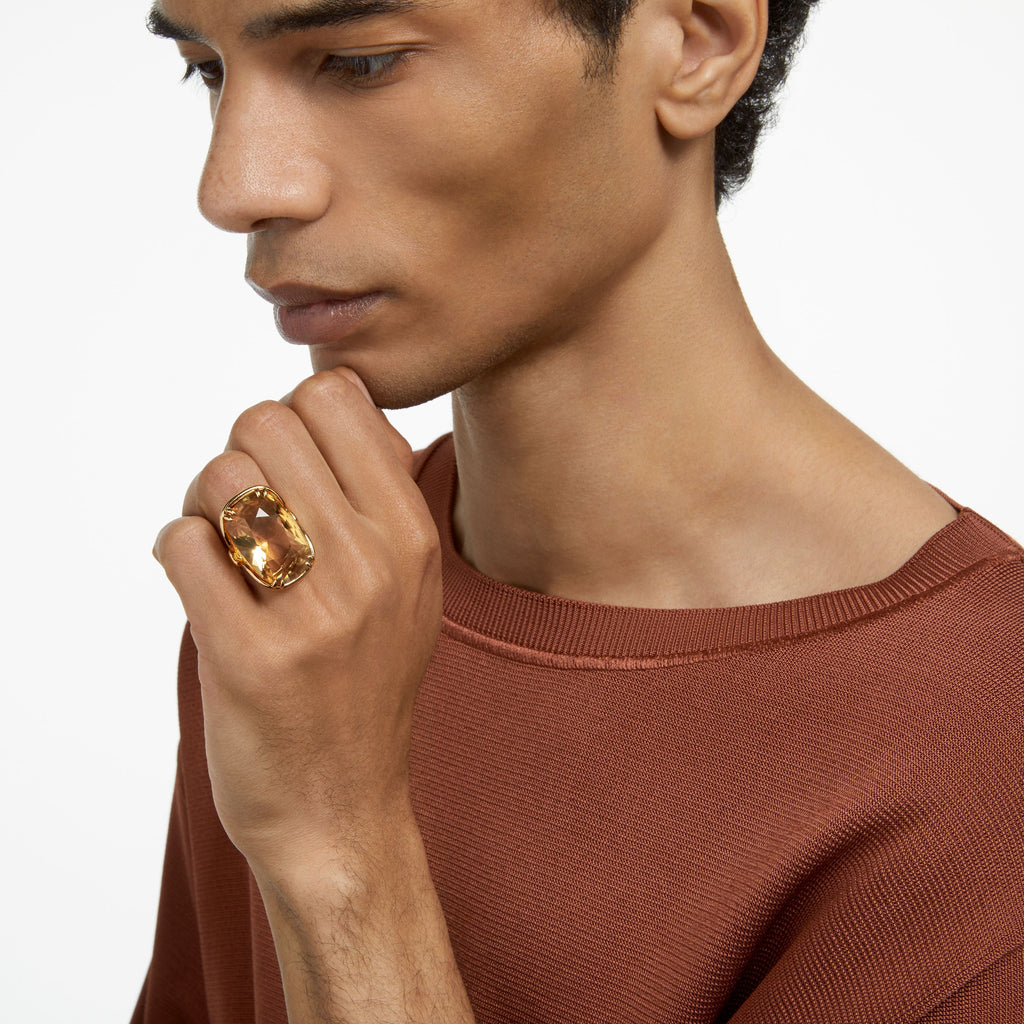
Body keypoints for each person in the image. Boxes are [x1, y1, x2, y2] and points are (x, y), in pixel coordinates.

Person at [133, 0, 1024, 1020]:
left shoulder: (988, 752)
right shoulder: (310, 578)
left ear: (698, 39)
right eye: (208, 70)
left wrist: (338, 845)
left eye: (359, 62)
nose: (234, 186)